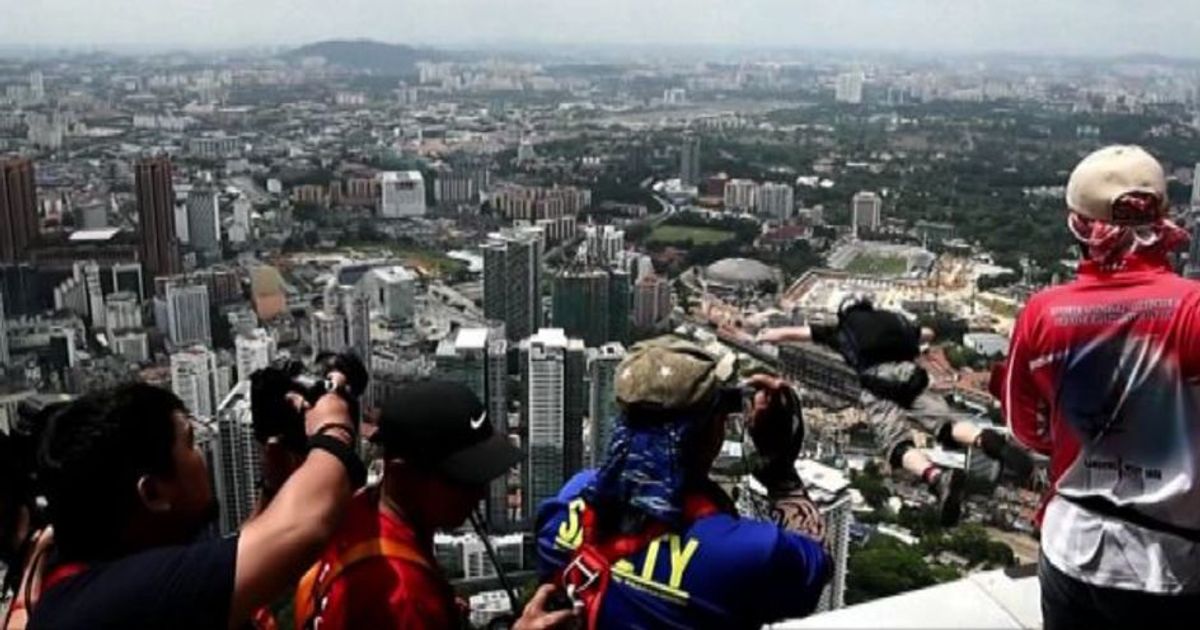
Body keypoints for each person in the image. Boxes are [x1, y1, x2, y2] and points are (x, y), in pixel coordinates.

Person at [1001, 145, 1200, 628]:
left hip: (1070, 544)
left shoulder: (1043, 312)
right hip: (1168, 562)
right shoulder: (1193, 310)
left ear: (1079, 225)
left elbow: (1024, 430)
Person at [536, 338, 830, 629]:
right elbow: (817, 563)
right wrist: (780, 473)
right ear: (711, 432)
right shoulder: (743, 553)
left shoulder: (565, 504)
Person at [25, 378, 363, 630]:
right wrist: (333, 428)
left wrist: (273, 485)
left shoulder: (92, 578)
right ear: (153, 494)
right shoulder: (120, 602)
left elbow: (234, 557)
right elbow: (304, 526)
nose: (200, 453)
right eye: (189, 442)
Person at [296, 380, 575, 629]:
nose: (479, 493)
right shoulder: (406, 598)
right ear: (404, 474)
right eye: (463, 478)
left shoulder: (358, 508)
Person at [756, 299, 1034, 526]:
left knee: (896, 447)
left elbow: (793, 334)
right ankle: (995, 444)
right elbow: (927, 334)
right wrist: (957, 326)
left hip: (878, 383)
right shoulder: (893, 320)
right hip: (911, 375)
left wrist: (763, 334)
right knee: (947, 425)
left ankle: (937, 478)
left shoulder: (841, 330)